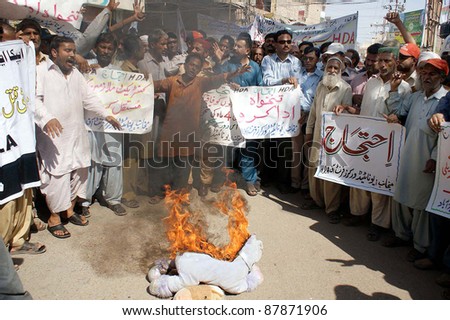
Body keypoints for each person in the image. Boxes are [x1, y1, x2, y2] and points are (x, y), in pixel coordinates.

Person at [34, 36, 121, 238]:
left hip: (76, 131)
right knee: (58, 173)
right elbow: (34, 101)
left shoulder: (75, 74)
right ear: (54, 53)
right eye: (68, 51)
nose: (72, 55)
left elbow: (89, 97)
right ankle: (55, 217)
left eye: (74, 51)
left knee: (81, 168)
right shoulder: (41, 72)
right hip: (53, 135)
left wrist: (105, 114)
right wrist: (47, 118)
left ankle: (69, 210)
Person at [334, 47, 411, 240]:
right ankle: (358, 215)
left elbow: (402, 116)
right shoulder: (371, 83)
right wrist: (346, 108)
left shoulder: (403, 88)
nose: (383, 64)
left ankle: (378, 224)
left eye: (387, 60)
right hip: (364, 139)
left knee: (380, 186)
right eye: (380, 60)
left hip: (386, 145)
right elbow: (364, 111)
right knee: (359, 179)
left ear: (396, 62)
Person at [149, 53, 250, 200]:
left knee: (183, 169)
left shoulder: (201, 83)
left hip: (189, 136)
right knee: (165, 166)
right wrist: (145, 88)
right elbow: (152, 85)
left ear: (199, 69)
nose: (193, 68)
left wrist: (234, 74)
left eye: (197, 67)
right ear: (185, 65)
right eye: (191, 65)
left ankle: (178, 197)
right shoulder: (172, 81)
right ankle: (161, 193)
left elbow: (217, 79)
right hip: (169, 133)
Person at [384, 58, 448, 262]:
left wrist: (435, 157)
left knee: (422, 203)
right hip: (407, 153)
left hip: (427, 158)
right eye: (424, 73)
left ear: (442, 77)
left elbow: (446, 135)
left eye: (432, 74)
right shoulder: (416, 97)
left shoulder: (445, 101)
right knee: (401, 194)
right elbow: (398, 112)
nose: (427, 77)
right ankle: (401, 235)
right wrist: (393, 92)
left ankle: (420, 246)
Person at [209, 33, 263, 196]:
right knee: (225, 147)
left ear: (247, 50)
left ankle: (250, 181)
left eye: (239, 46)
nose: (235, 48)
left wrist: (244, 92)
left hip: (247, 115)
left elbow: (259, 90)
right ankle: (220, 178)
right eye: (235, 45)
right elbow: (215, 79)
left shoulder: (255, 67)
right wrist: (219, 62)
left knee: (247, 149)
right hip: (227, 114)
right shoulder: (228, 64)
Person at [303, 57, 352, 224]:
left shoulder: (346, 88)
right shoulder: (320, 86)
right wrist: (308, 131)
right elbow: (313, 112)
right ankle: (316, 201)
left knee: (331, 173)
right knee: (314, 168)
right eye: (329, 67)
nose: (332, 70)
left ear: (340, 71)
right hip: (317, 134)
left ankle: (331, 208)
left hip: (335, 139)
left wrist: (344, 109)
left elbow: (348, 114)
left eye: (335, 68)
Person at [82, 32, 127, 216]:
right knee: (91, 160)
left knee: (114, 159)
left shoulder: (121, 74)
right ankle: (84, 200)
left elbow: (132, 96)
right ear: (96, 48)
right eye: (103, 47)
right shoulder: (86, 70)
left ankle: (113, 199)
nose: (106, 51)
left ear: (115, 51)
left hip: (113, 124)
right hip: (90, 123)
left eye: (110, 48)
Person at [260, 29, 303, 194]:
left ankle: (282, 181)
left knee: (284, 148)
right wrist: (284, 80)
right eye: (282, 42)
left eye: (288, 42)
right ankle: (266, 177)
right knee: (268, 145)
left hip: (288, 112)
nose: (286, 45)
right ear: (276, 44)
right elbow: (266, 81)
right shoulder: (267, 60)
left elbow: (297, 85)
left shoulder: (296, 63)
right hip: (270, 110)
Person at [292, 46, 322, 194]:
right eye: (306, 58)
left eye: (311, 58)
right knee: (295, 152)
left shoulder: (321, 77)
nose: (308, 61)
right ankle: (294, 182)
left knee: (308, 153)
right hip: (295, 116)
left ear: (318, 60)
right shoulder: (297, 74)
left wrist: (309, 113)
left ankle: (305, 185)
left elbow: (319, 100)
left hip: (311, 118)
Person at [350, 43, 383, 108]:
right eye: (368, 59)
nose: (369, 63)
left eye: (373, 61)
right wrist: (353, 98)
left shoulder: (384, 81)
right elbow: (347, 96)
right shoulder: (357, 78)